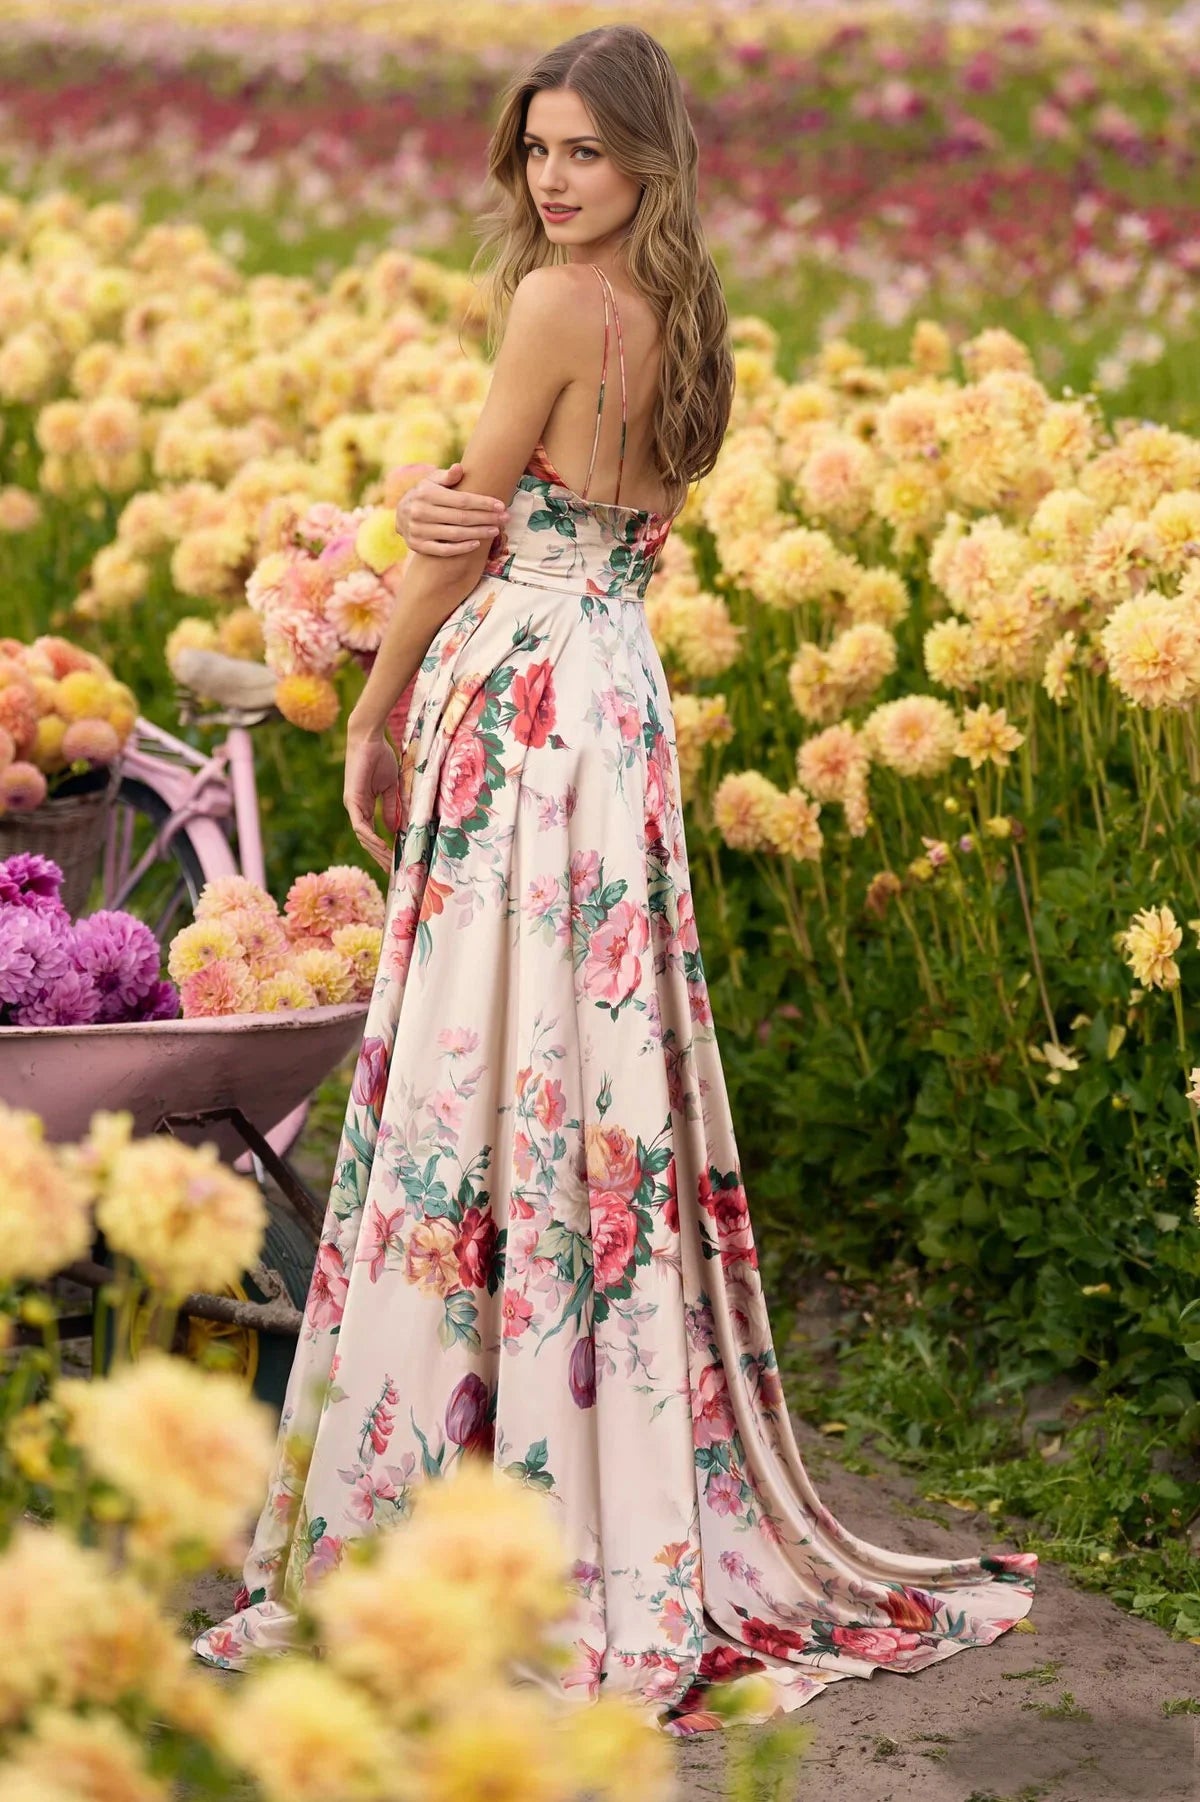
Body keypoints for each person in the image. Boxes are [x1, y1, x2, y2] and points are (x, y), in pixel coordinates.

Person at [193, 21, 1036, 1734]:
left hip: (525, 698)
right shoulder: (686, 314)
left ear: (646, 155)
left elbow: (476, 525)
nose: (552, 177)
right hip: (618, 691)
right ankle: (590, 1452)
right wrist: (451, 520)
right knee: (583, 1068)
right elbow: (554, 519)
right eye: (537, 150)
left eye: (581, 149)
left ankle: (463, 1487)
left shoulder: (552, 306)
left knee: (474, 1073)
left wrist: (372, 703)